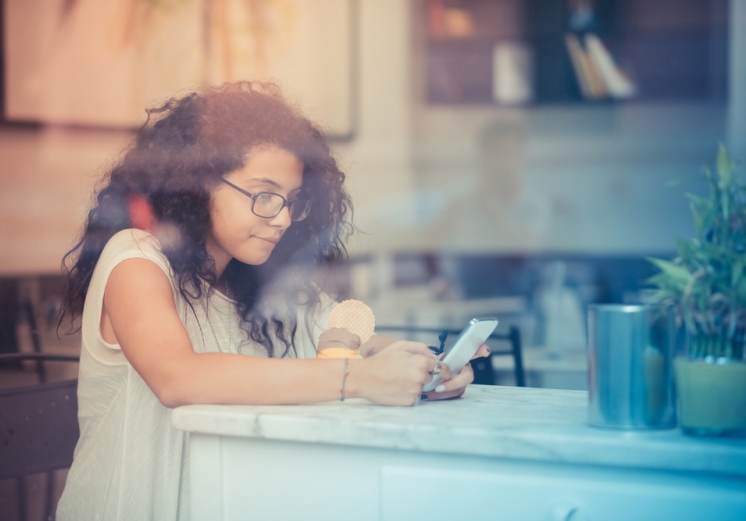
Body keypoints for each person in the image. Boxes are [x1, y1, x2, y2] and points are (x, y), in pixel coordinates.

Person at [55, 82, 489, 521]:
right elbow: (177, 377)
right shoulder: (135, 256)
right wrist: (360, 379)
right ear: (196, 184)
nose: (281, 218)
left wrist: (426, 365)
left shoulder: (257, 284)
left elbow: (353, 339)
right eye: (264, 195)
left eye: (292, 201)